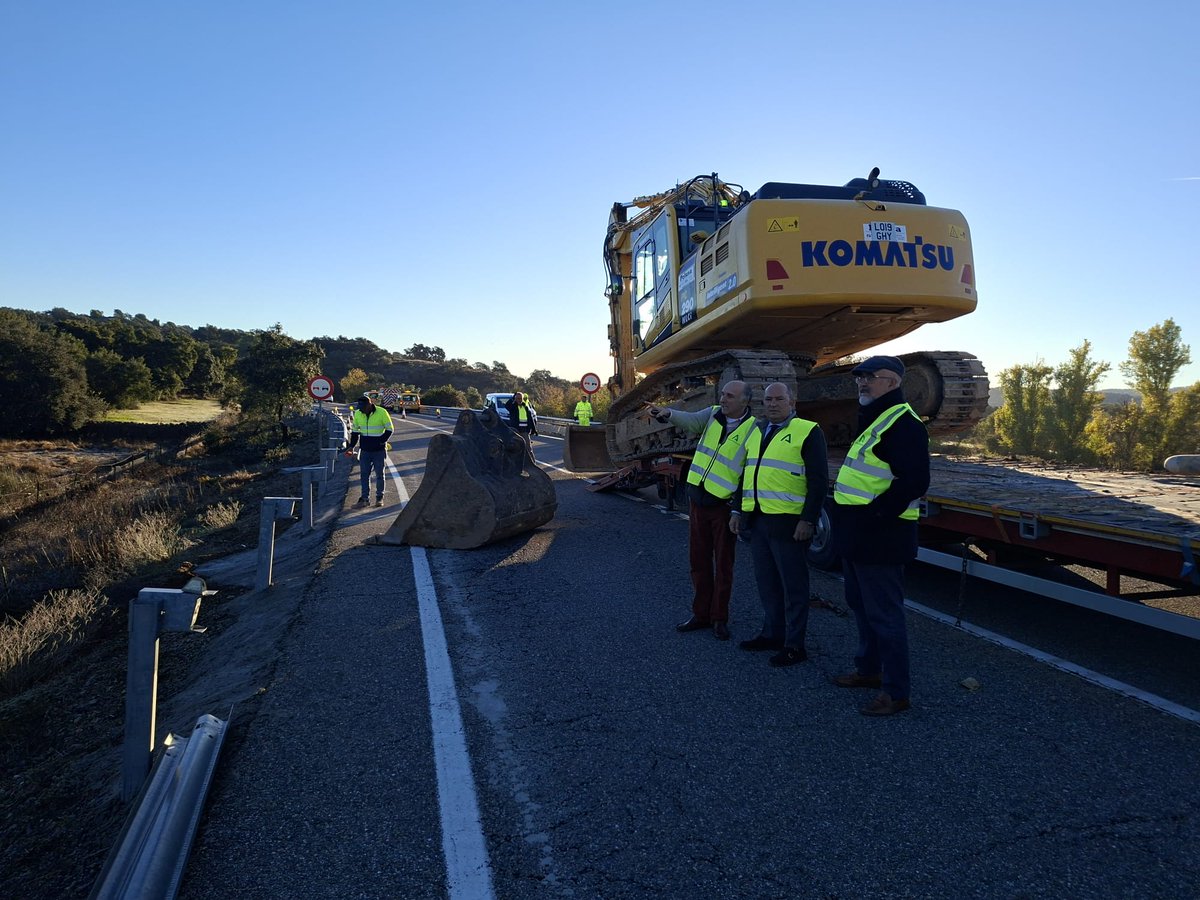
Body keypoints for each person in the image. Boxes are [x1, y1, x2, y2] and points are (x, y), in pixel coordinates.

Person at [832, 355, 930, 716]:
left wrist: (874, 516)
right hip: (859, 535)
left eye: (870, 376)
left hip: (881, 537)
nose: (862, 381)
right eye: (859, 376)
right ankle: (869, 670)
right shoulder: (876, 417)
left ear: (892, 382)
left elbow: (915, 482)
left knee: (885, 616)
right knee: (861, 607)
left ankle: (896, 692)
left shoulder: (903, 423)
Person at [731, 382, 828, 666]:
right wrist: (737, 510)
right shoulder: (756, 431)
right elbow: (746, 474)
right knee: (767, 583)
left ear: (792, 402)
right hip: (758, 520)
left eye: (778, 399)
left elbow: (818, 481)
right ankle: (772, 633)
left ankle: (795, 645)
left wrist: (808, 519)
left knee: (793, 587)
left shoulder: (808, 431)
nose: (772, 404)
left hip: (789, 523)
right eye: (768, 399)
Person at [649, 381, 754, 641]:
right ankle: (701, 614)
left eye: (730, 396)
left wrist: (738, 510)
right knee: (698, 562)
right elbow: (691, 420)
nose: (723, 399)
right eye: (723, 394)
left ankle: (719, 618)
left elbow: (748, 475)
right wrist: (668, 413)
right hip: (698, 501)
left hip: (723, 507)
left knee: (724, 566)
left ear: (744, 401)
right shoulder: (713, 414)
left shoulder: (754, 430)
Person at [346, 392, 394, 508]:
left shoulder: (382, 412)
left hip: (379, 450)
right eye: (360, 407)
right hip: (365, 450)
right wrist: (351, 446)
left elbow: (390, 429)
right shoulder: (358, 413)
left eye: (363, 407)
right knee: (364, 475)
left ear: (369, 404)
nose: (361, 410)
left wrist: (381, 441)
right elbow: (355, 432)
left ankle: (379, 498)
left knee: (379, 475)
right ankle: (364, 499)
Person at [504, 391, 538, 457]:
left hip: (524, 430)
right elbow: (507, 405)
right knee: (515, 448)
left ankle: (532, 461)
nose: (519, 400)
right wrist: (513, 398)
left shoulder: (525, 407)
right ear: (515, 399)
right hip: (516, 431)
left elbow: (530, 419)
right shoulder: (513, 407)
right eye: (518, 398)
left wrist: (534, 429)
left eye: (520, 398)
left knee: (528, 448)